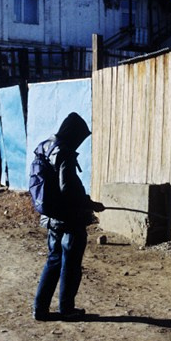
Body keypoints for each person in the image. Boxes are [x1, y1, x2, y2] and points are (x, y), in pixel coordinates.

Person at [33, 112, 104, 321]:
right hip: (68, 217)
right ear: (73, 134)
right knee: (71, 263)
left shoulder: (46, 146)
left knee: (54, 260)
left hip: (52, 215)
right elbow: (68, 187)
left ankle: (40, 309)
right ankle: (67, 309)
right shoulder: (64, 152)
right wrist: (88, 204)